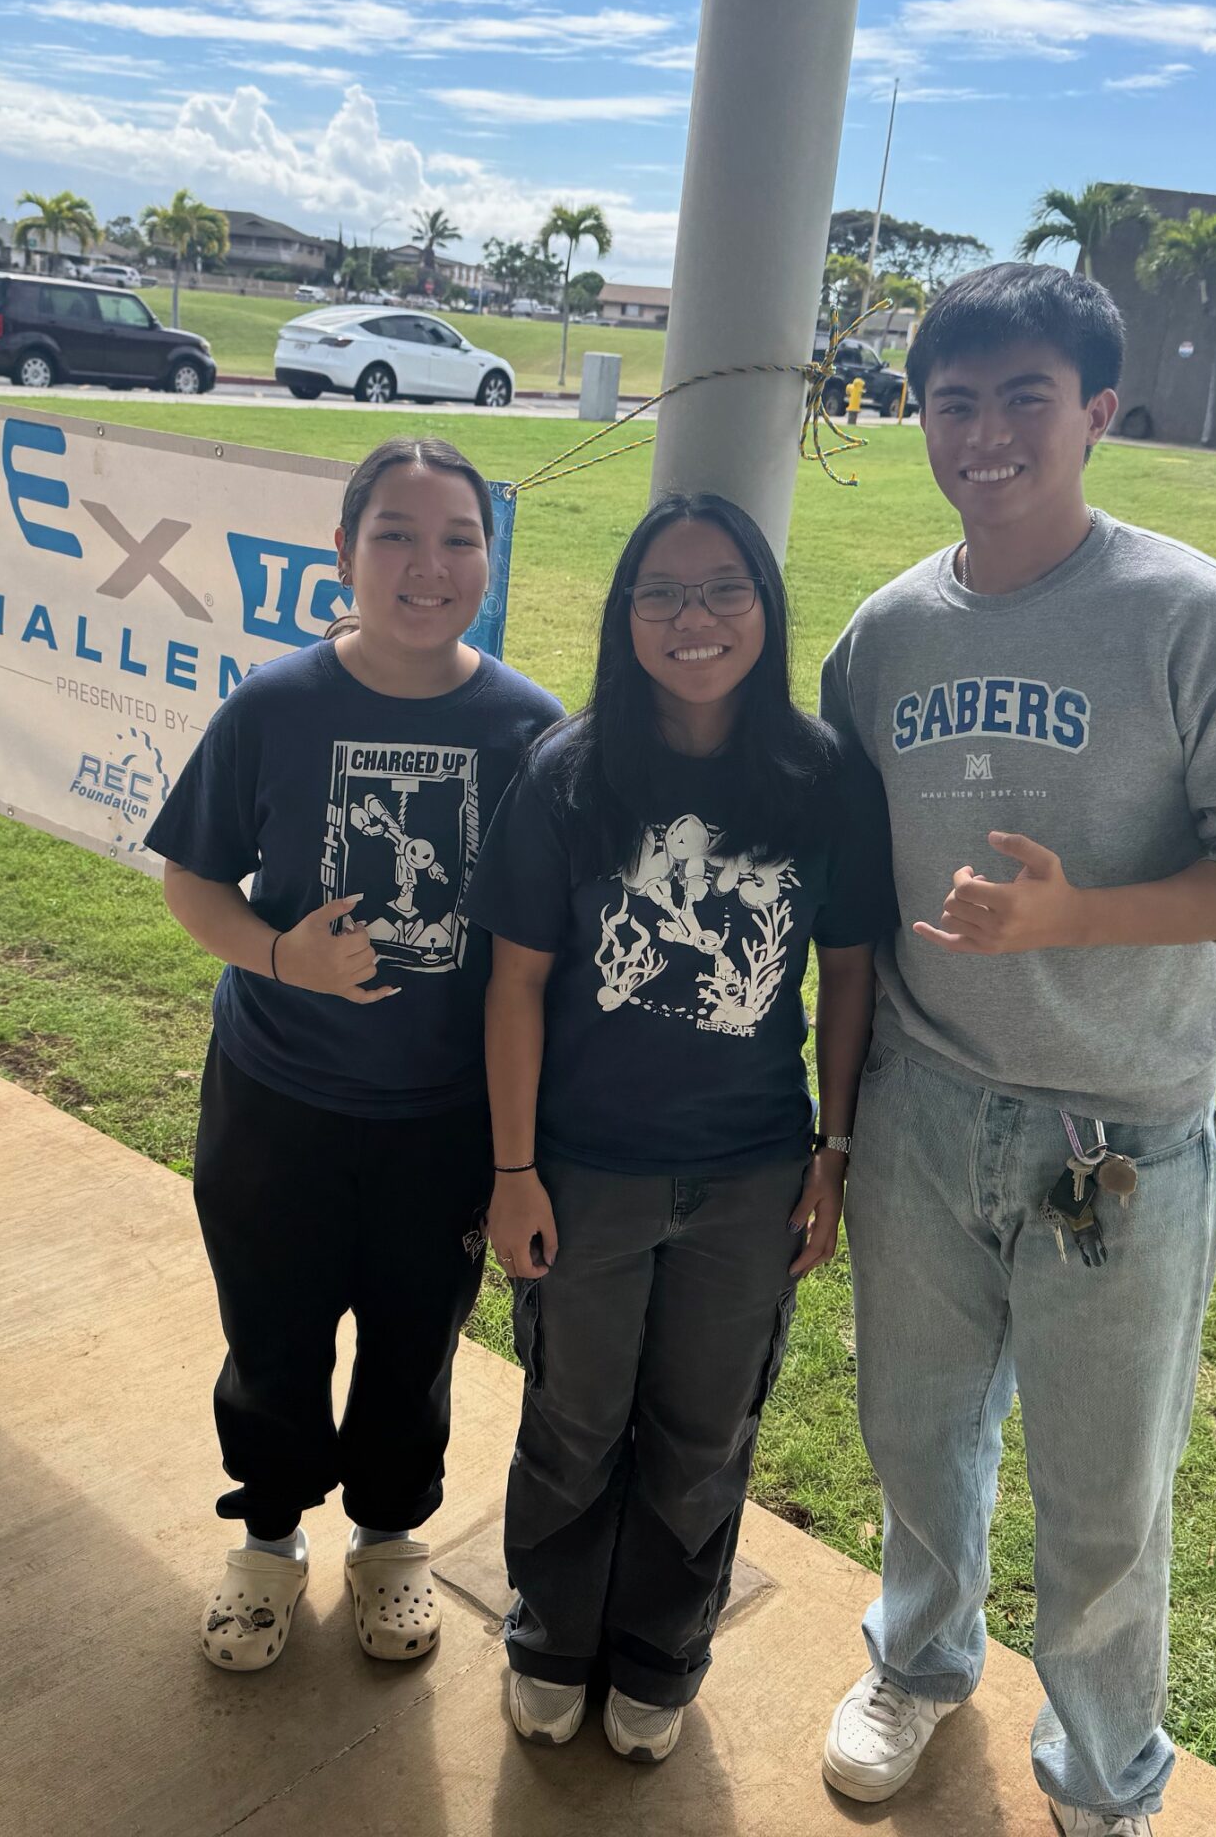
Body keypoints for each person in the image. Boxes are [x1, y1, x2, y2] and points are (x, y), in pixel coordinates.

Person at [815, 263, 1216, 1836]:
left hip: (1115, 1138)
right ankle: (917, 1660)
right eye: (954, 401)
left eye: (1024, 399)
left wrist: (1083, 919)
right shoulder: (885, 637)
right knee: (916, 1435)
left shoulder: (1202, 619)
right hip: (921, 1108)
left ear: (1096, 413)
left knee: (1104, 1502)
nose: (985, 435)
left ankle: (1105, 1780)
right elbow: (847, 879)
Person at [463, 492, 895, 1764]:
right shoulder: (570, 773)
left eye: (723, 589)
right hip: (585, 1175)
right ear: (624, 614)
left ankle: (661, 1651)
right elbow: (517, 982)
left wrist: (832, 1154)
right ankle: (552, 1635)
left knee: (706, 1432)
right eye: (660, 592)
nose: (692, 618)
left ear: (764, 607)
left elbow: (852, 972)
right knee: (574, 1418)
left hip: (750, 1174)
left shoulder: (821, 778)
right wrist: (512, 1171)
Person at [143, 437, 563, 1673]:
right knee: (271, 1333)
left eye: (456, 539)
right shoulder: (275, 706)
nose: (425, 566)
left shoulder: (530, 729)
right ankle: (266, 1543)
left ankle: (389, 1542)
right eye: (394, 535)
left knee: (411, 1342)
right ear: (340, 554)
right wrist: (284, 959)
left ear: (488, 558)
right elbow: (193, 882)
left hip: (440, 1120)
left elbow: (544, 956)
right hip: (278, 1098)